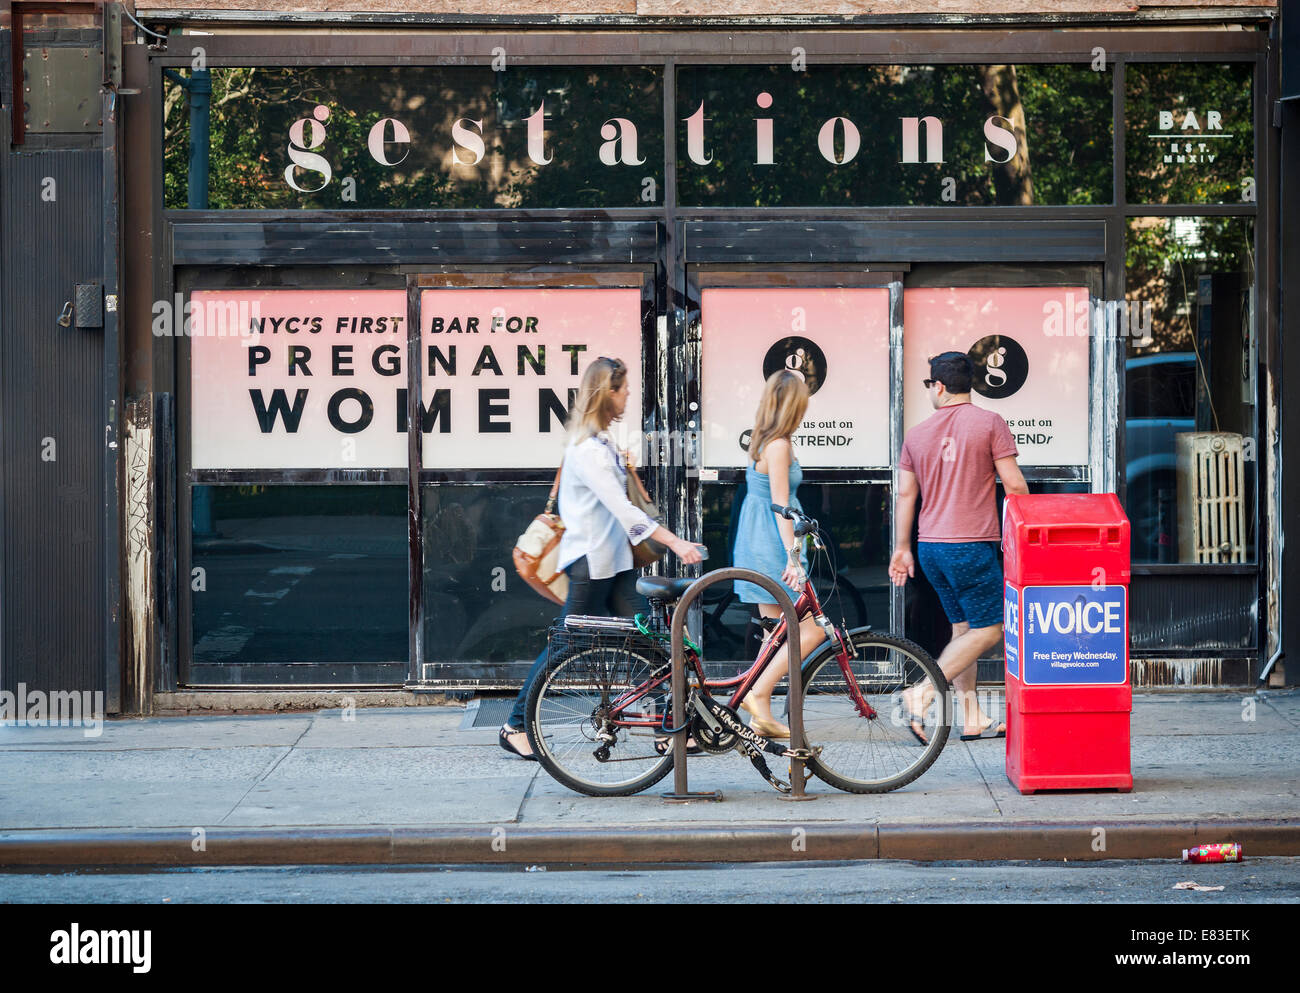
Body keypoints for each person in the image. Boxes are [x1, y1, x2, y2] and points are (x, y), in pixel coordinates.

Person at [500, 356, 703, 760]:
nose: (628, 394)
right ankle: (516, 726)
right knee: (565, 645)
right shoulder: (587, 450)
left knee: (655, 642)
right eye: (623, 388)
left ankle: (670, 728)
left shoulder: (602, 443)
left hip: (615, 565)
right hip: (593, 566)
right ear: (605, 393)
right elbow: (626, 512)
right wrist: (676, 543)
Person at [889, 351, 1029, 744]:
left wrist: (901, 549)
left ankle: (971, 716)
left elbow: (905, 496)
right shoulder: (990, 423)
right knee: (992, 628)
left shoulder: (916, 434)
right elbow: (1014, 485)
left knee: (965, 628)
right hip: (970, 545)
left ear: (939, 386)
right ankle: (920, 694)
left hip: (930, 546)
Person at [731, 370, 826, 739]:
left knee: (776, 634)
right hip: (770, 545)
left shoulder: (766, 439)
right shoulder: (779, 446)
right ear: (793, 406)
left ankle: (761, 711)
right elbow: (781, 506)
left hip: (757, 540)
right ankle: (758, 693)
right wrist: (793, 557)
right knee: (814, 630)